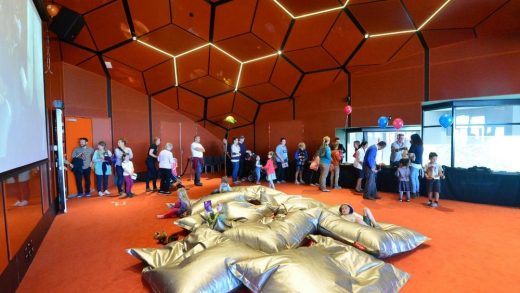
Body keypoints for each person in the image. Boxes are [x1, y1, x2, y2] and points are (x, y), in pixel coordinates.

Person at [408, 134, 424, 198]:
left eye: (411, 138)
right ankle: (417, 192)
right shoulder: (421, 145)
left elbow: (410, 153)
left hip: (413, 164)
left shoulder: (413, 145)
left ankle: (413, 192)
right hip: (419, 164)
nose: (410, 140)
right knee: (416, 179)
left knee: (412, 179)